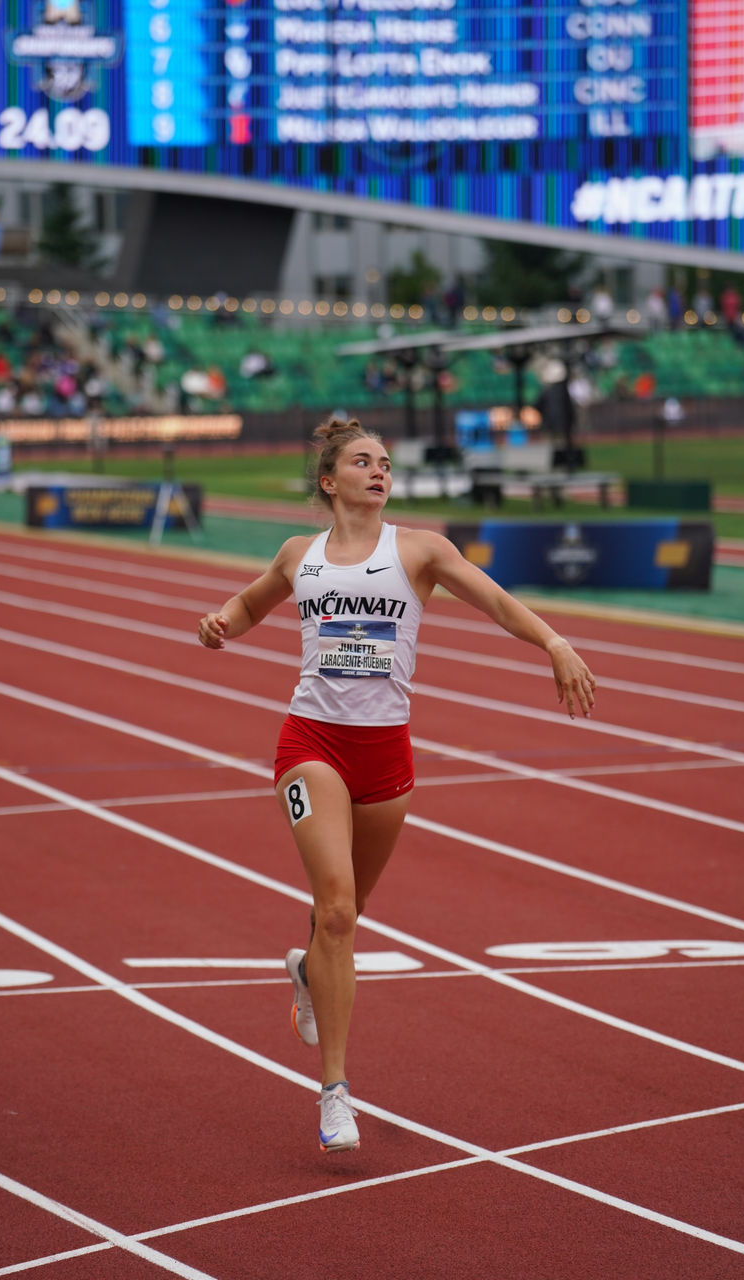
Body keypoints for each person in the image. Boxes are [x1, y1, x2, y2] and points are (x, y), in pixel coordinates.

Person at [197, 418, 596, 1154]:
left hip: (386, 756)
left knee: (346, 917)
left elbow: (498, 603)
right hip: (309, 742)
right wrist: (222, 621)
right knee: (340, 911)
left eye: (385, 462)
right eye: (362, 462)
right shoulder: (300, 554)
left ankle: (307, 967)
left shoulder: (419, 550)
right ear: (330, 481)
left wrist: (555, 641)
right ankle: (335, 1094)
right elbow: (252, 604)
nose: (379, 471)